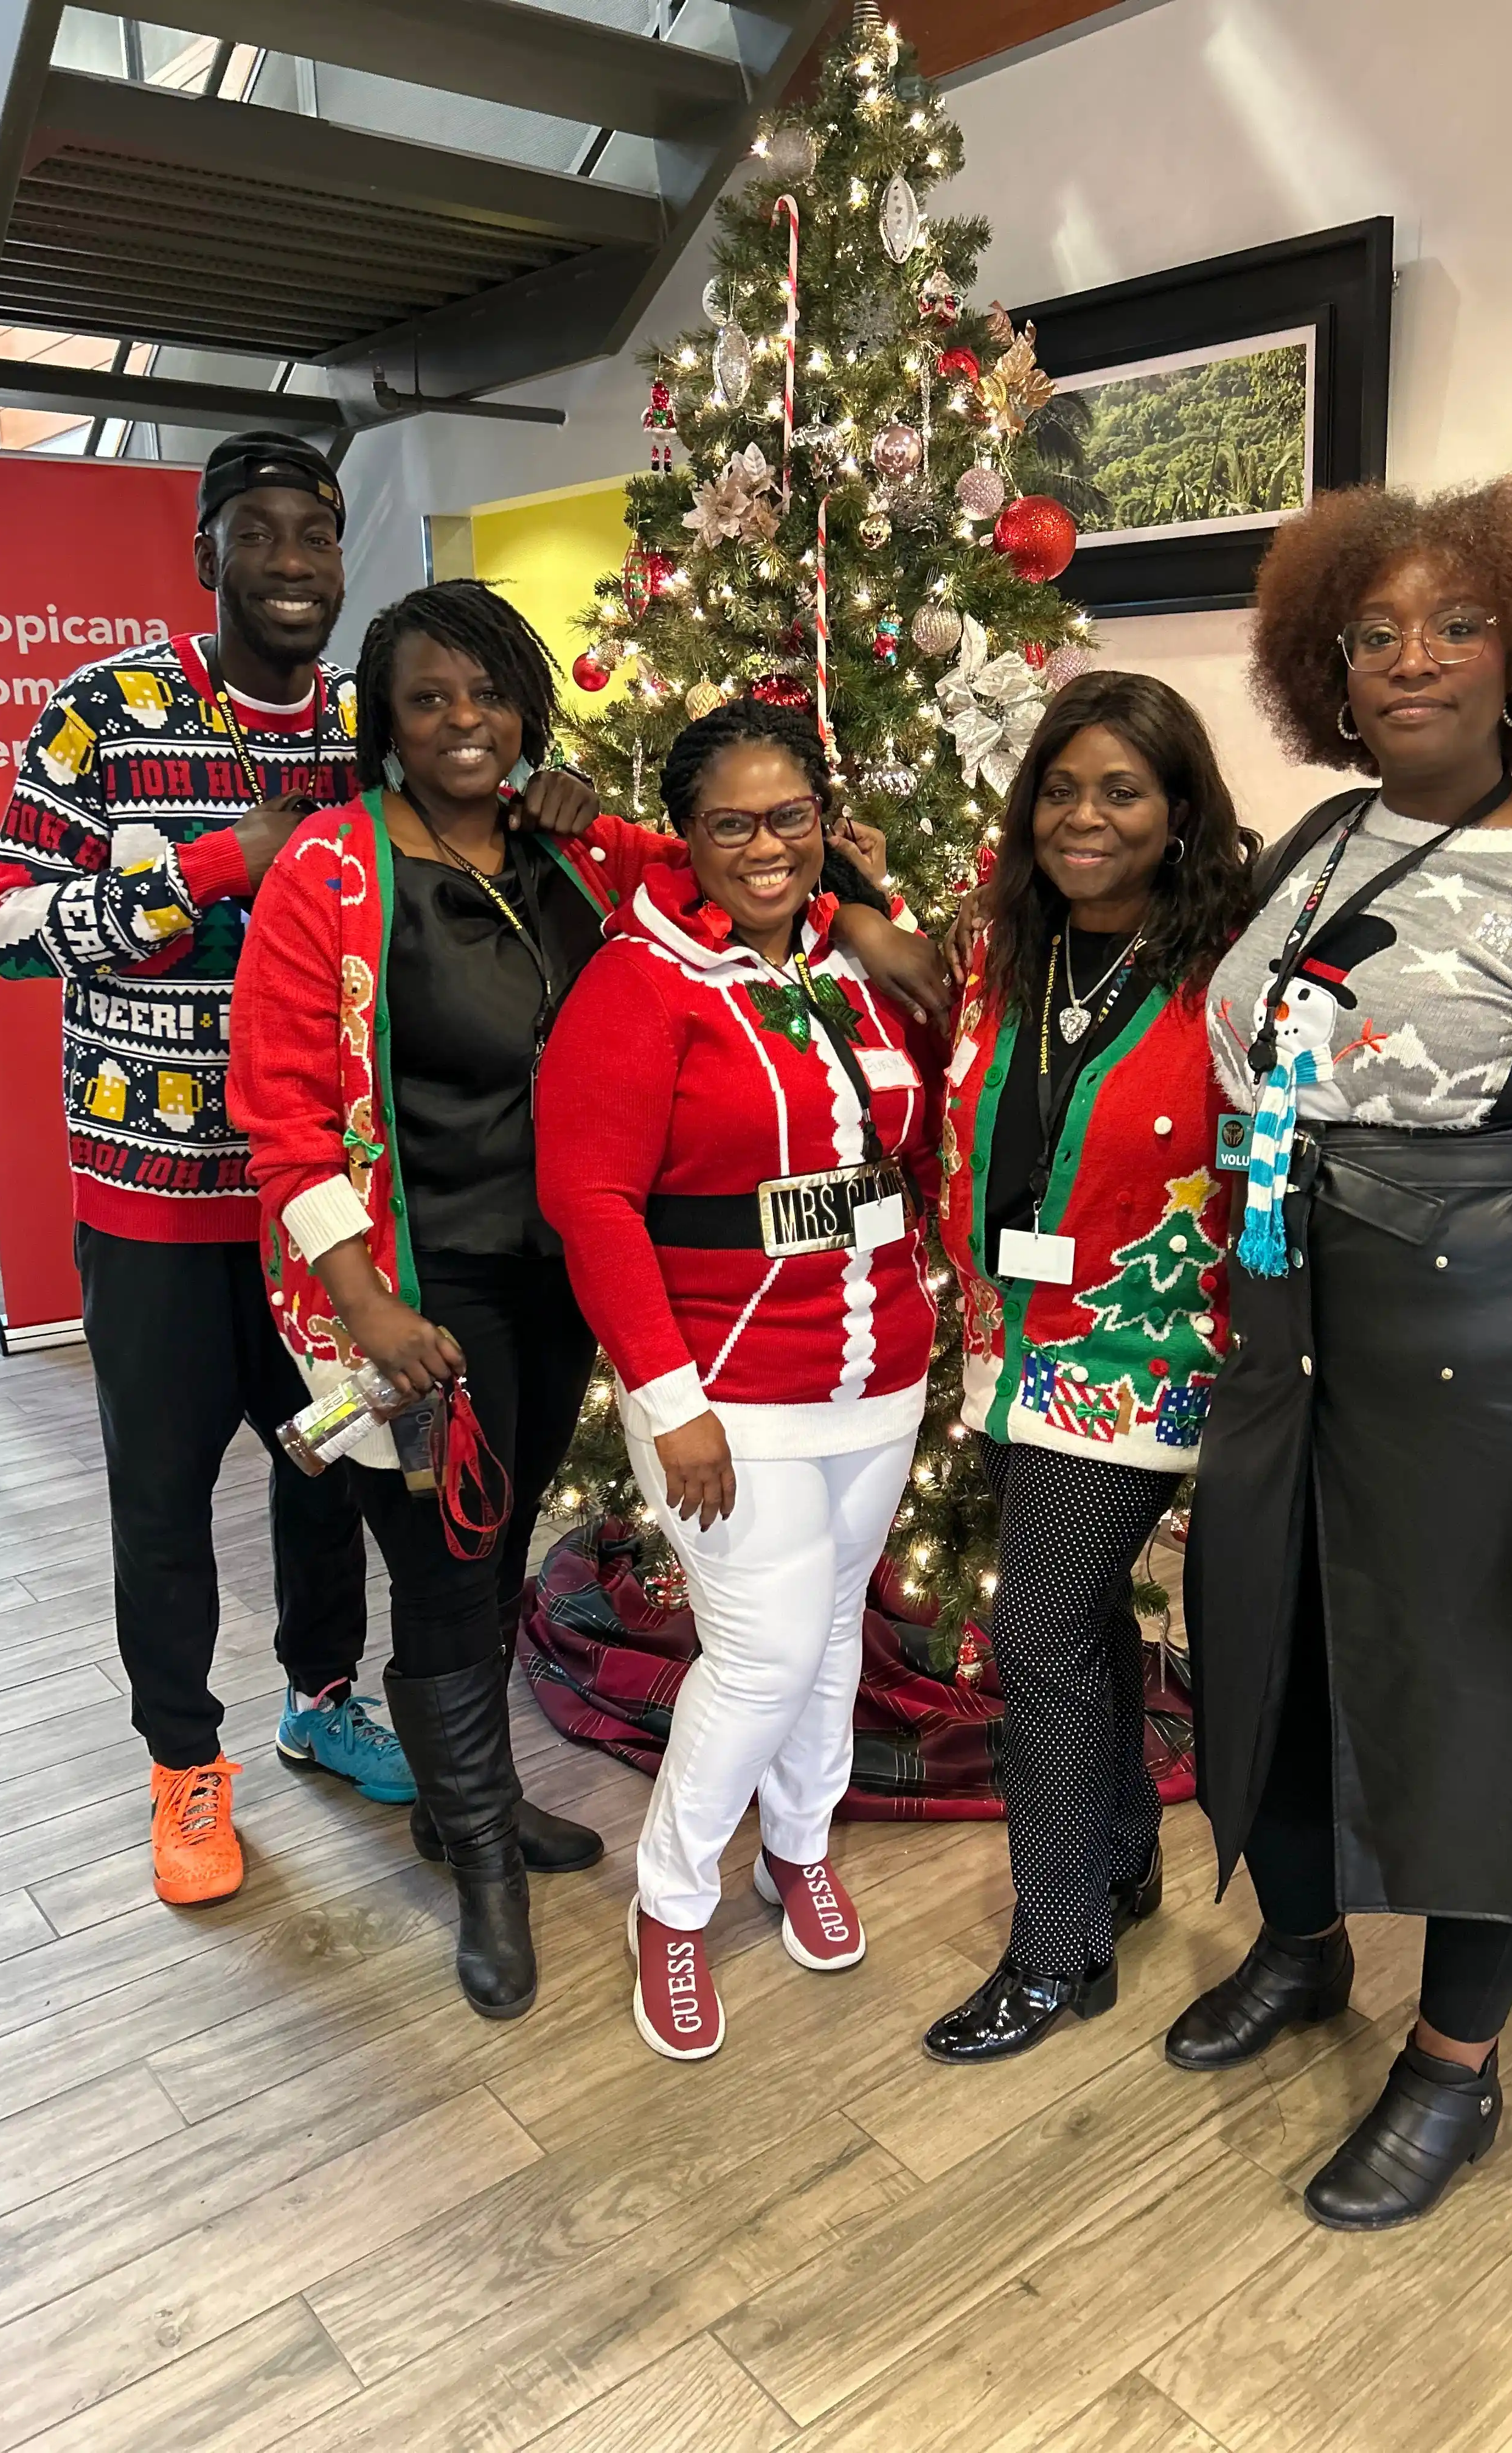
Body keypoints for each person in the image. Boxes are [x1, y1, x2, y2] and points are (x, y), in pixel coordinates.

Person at [229, 597, 943, 2019]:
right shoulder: (331, 869)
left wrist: (867, 911)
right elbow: (284, 1121)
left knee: (497, 1563)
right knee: (447, 1563)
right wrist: (366, 1305)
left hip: (569, 1280)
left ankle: (458, 1804)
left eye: (491, 694)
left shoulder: (577, 848)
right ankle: (484, 1863)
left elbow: (745, 861)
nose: (464, 725)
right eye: (428, 701)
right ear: (383, 716)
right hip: (434, 1284)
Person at [1172, 474, 1512, 2230]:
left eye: (1460, 628)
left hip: (1494, 1406)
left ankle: (1455, 2071)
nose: (1413, 661)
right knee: (1275, 1667)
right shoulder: (1314, 847)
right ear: (1326, 672)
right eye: (1375, 634)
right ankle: (1310, 1946)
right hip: (1297, 1371)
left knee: (1494, 1731)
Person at [0, 433, 598, 1904]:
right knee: (167, 1493)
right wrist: (201, 869)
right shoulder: (107, 714)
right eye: (261, 537)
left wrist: (557, 800)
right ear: (208, 555)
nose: (296, 564)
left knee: (350, 1480)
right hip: (162, 1202)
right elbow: (0, 931)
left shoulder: (365, 736)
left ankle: (327, 1707)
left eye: (316, 535)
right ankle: (186, 1770)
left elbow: (477, 823)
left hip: (333, 1229)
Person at [535, 698, 943, 2061]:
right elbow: (592, 1203)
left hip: (878, 1368)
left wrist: (879, 908)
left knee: (831, 1632)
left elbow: (936, 1101)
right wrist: (669, 1401)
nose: (765, 847)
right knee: (763, 1648)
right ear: (687, 836)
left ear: (827, 827)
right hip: (722, 1388)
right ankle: (672, 1900)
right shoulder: (639, 982)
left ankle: (802, 1844)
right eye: (731, 823)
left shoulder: (852, 957)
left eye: (792, 820)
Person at [919, 672, 1254, 2064]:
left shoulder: (1228, 972)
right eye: (1063, 788)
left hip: (1148, 1347)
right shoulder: (1004, 949)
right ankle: (1119, 1851)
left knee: (1044, 1629)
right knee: (1087, 1620)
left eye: (1123, 791)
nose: (1085, 817)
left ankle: (1058, 1953)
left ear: (1179, 815)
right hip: (1011, 1344)